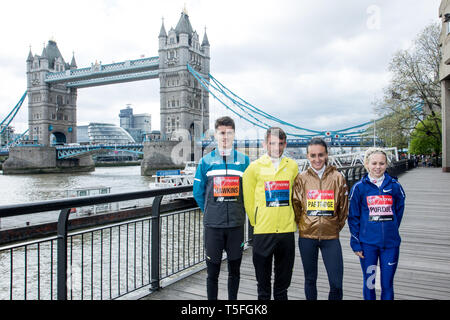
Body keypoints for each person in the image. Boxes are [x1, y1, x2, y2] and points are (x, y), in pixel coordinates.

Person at [193, 116, 250, 300]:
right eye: (221, 133)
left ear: (234, 135)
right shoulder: (205, 161)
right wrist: (210, 211)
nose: (225, 137)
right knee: (212, 274)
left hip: (235, 226)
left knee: (235, 272)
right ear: (216, 135)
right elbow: (198, 193)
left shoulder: (244, 161)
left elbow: (248, 192)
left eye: (229, 133)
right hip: (213, 227)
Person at [242, 127, 298, 300]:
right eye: (272, 143)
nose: (277, 148)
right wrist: (256, 220)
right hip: (262, 231)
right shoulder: (253, 168)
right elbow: (248, 199)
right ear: (265, 143)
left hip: (286, 231)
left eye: (280, 144)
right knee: (263, 286)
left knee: (282, 286)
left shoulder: (293, 167)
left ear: (285, 144)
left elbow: (296, 197)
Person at [292, 137, 348, 300]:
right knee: (310, 280)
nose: (317, 159)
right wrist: (302, 224)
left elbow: (344, 207)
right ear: (308, 156)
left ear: (326, 155)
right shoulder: (301, 178)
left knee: (336, 283)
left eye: (321, 155)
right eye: (313, 155)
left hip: (331, 237)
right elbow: (296, 204)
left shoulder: (338, 177)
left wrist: (335, 226)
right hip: (307, 236)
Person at [348, 147, 406, 300]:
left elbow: (399, 210)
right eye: (374, 163)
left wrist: (391, 228)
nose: (378, 167)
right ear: (366, 164)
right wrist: (356, 243)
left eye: (381, 163)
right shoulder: (359, 188)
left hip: (390, 245)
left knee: (387, 284)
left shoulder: (395, 186)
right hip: (368, 245)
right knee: (370, 283)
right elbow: (353, 217)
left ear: (386, 165)